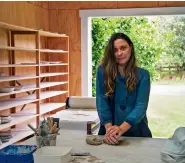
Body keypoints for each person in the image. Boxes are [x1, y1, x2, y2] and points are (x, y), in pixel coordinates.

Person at [96, 32, 152, 145]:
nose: (119, 53)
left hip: (137, 133)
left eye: (123, 48)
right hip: (108, 133)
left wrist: (120, 129)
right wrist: (110, 131)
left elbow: (141, 106)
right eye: (115, 50)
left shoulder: (143, 75)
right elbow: (101, 101)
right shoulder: (102, 71)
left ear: (130, 48)